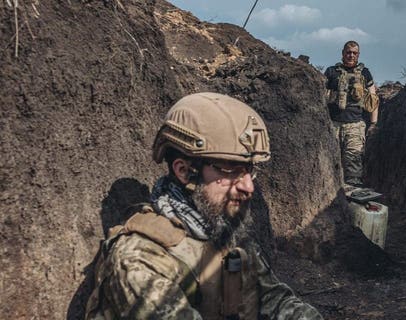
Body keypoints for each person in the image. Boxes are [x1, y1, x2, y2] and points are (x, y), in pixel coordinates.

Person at [85, 92, 323, 320]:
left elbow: (273, 298)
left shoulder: (220, 229)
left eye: (250, 171)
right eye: (231, 170)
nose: (248, 187)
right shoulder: (140, 258)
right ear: (184, 171)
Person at [324, 40, 379, 187]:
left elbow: (373, 101)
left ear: (358, 55)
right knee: (330, 161)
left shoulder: (365, 73)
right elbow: (321, 98)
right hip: (333, 124)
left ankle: (353, 196)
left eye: (354, 53)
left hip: (355, 125)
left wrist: (373, 123)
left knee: (353, 161)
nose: (351, 55)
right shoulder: (331, 72)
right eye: (348, 52)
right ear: (343, 53)